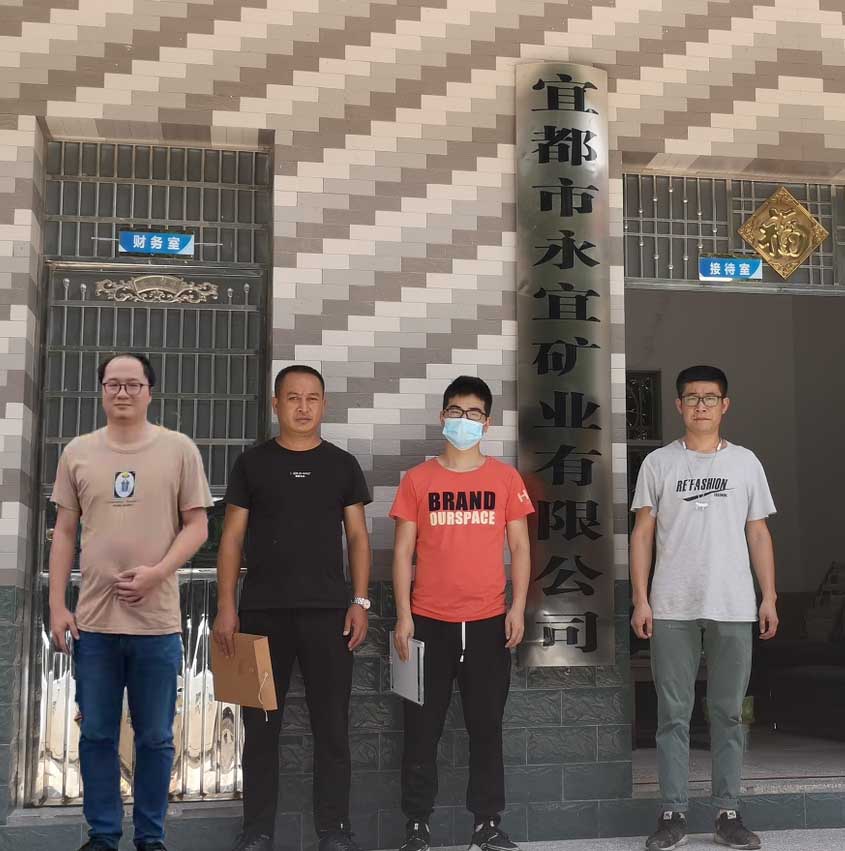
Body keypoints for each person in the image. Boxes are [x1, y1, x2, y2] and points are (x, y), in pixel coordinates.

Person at [49, 353, 212, 851]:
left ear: (149, 391)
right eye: (113, 384)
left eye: (132, 384)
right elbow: (64, 532)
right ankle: (103, 835)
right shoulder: (78, 452)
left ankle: (150, 837)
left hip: (157, 626)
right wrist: (57, 605)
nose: (122, 392)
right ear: (101, 390)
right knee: (97, 734)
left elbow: (198, 526)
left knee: (156, 738)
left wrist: (159, 572)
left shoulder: (178, 449)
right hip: (95, 626)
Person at [213, 365, 372, 851]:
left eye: (312, 398)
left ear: (324, 405)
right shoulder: (252, 464)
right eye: (293, 398)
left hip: (329, 615)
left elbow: (358, 537)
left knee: (332, 729)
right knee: (260, 730)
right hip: (261, 615)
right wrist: (226, 606)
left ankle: (335, 831)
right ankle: (257, 831)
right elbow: (232, 537)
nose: (303, 407)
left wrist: (360, 601)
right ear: (276, 404)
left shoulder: (342, 465)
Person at [630, 365, 779, 851]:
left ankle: (727, 812)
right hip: (671, 604)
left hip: (733, 604)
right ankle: (672, 812)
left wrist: (769, 595)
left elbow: (758, 532)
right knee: (672, 714)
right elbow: (643, 533)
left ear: (724, 405)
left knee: (728, 713)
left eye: (710, 398)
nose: (700, 406)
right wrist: (640, 598)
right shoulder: (658, 463)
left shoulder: (745, 463)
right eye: (691, 398)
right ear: (678, 405)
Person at [390, 376, 534, 851]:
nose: (464, 420)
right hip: (427, 623)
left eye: (474, 414)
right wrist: (403, 616)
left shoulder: (505, 479)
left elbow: (520, 546)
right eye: (456, 411)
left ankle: (486, 825)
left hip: (489, 623)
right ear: (442, 417)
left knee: (486, 729)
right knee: (420, 730)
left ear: (487, 423)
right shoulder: (418, 480)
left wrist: (517, 607)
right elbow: (403, 552)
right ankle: (417, 826)